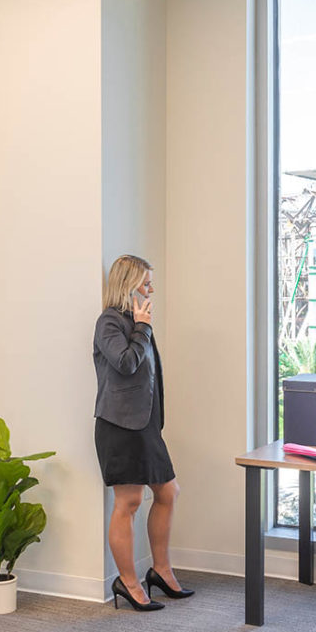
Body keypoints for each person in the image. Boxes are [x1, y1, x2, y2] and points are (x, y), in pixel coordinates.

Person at [93, 255, 194, 612]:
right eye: (145, 282)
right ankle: (128, 582)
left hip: (146, 426)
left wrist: (141, 325)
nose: (151, 288)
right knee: (129, 503)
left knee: (168, 492)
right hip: (119, 427)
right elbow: (126, 363)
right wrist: (142, 327)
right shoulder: (110, 322)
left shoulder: (134, 321)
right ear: (128, 284)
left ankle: (161, 571)